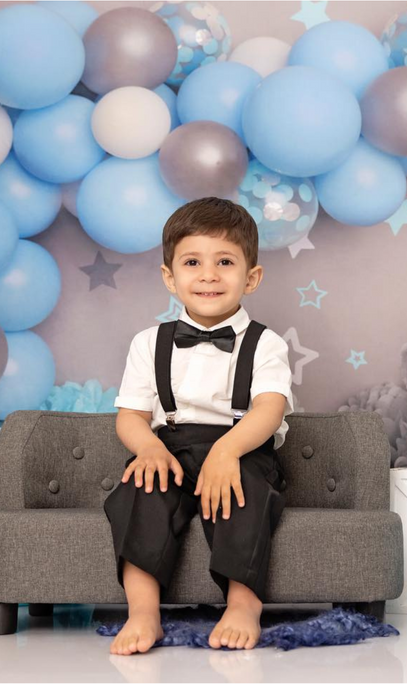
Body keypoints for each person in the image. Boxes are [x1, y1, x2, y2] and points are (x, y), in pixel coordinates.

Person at [103, 197, 294, 655]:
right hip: (167, 446)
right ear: (170, 277)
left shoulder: (266, 343)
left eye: (224, 262)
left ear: (251, 277)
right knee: (138, 492)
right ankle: (144, 612)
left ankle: (243, 604)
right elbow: (130, 414)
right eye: (193, 262)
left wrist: (227, 452)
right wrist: (147, 448)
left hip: (240, 446)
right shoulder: (148, 343)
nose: (208, 274)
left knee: (243, 493)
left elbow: (269, 409)